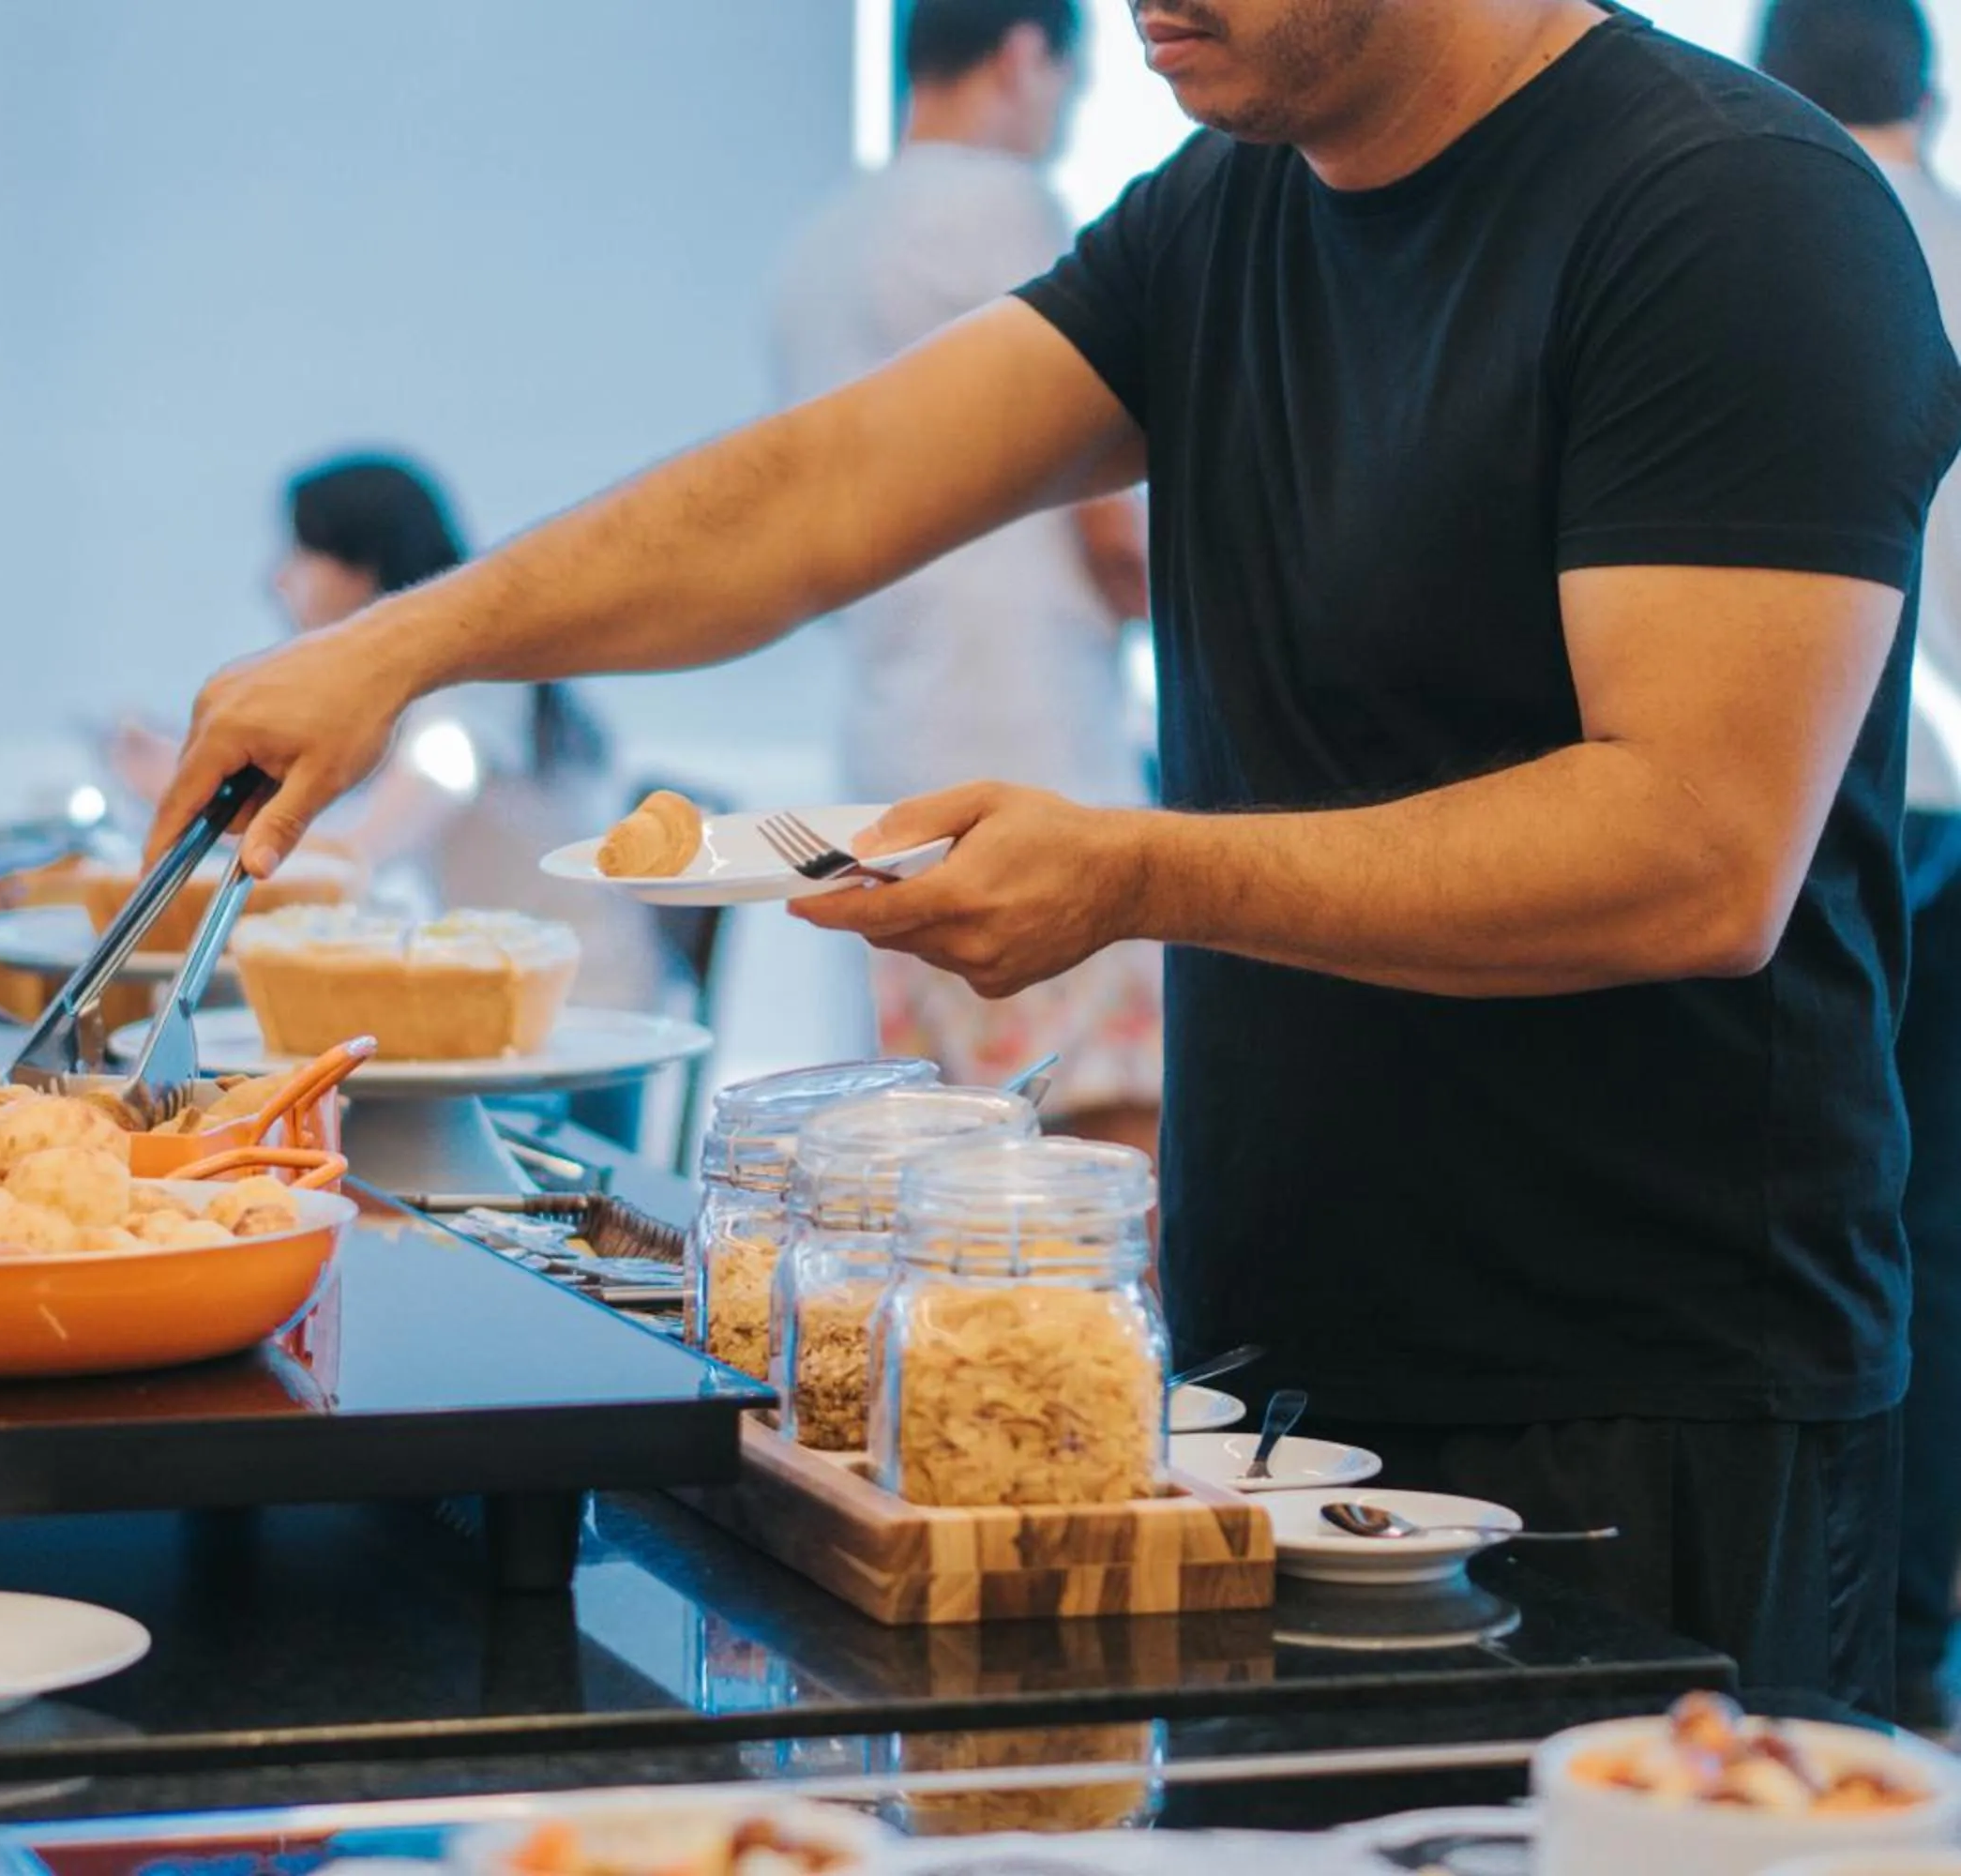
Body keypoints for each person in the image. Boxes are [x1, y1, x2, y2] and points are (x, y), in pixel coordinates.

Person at [155, 0, 1961, 1707]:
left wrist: (1137, 873)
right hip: (1271, 1356)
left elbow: (1695, 852)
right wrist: (405, 645)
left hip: (1650, 1399)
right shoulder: (1224, 209)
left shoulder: (1736, 215)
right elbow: (819, 494)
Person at [773, 0, 1161, 1157]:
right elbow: (1118, 534)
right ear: (1026, 54)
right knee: (1099, 1144)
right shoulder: (1007, 212)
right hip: (1034, 736)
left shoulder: (818, 250)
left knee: (942, 1156)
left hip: (894, 741)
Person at [106, 454, 668, 1083]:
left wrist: (210, 805)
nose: (277, 579)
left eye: (299, 553)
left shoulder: (467, 696)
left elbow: (373, 843)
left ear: (361, 565)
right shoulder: (435, 688)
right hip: (521, 1009)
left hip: (574, 1024)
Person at [1757, 0, 1961, 1734]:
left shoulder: (1759, 235)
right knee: (1939, 1224)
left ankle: (1862, 1643)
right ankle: (1906, 1643)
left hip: (1841, 809)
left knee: (1841, 1207)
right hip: (1942, 797)